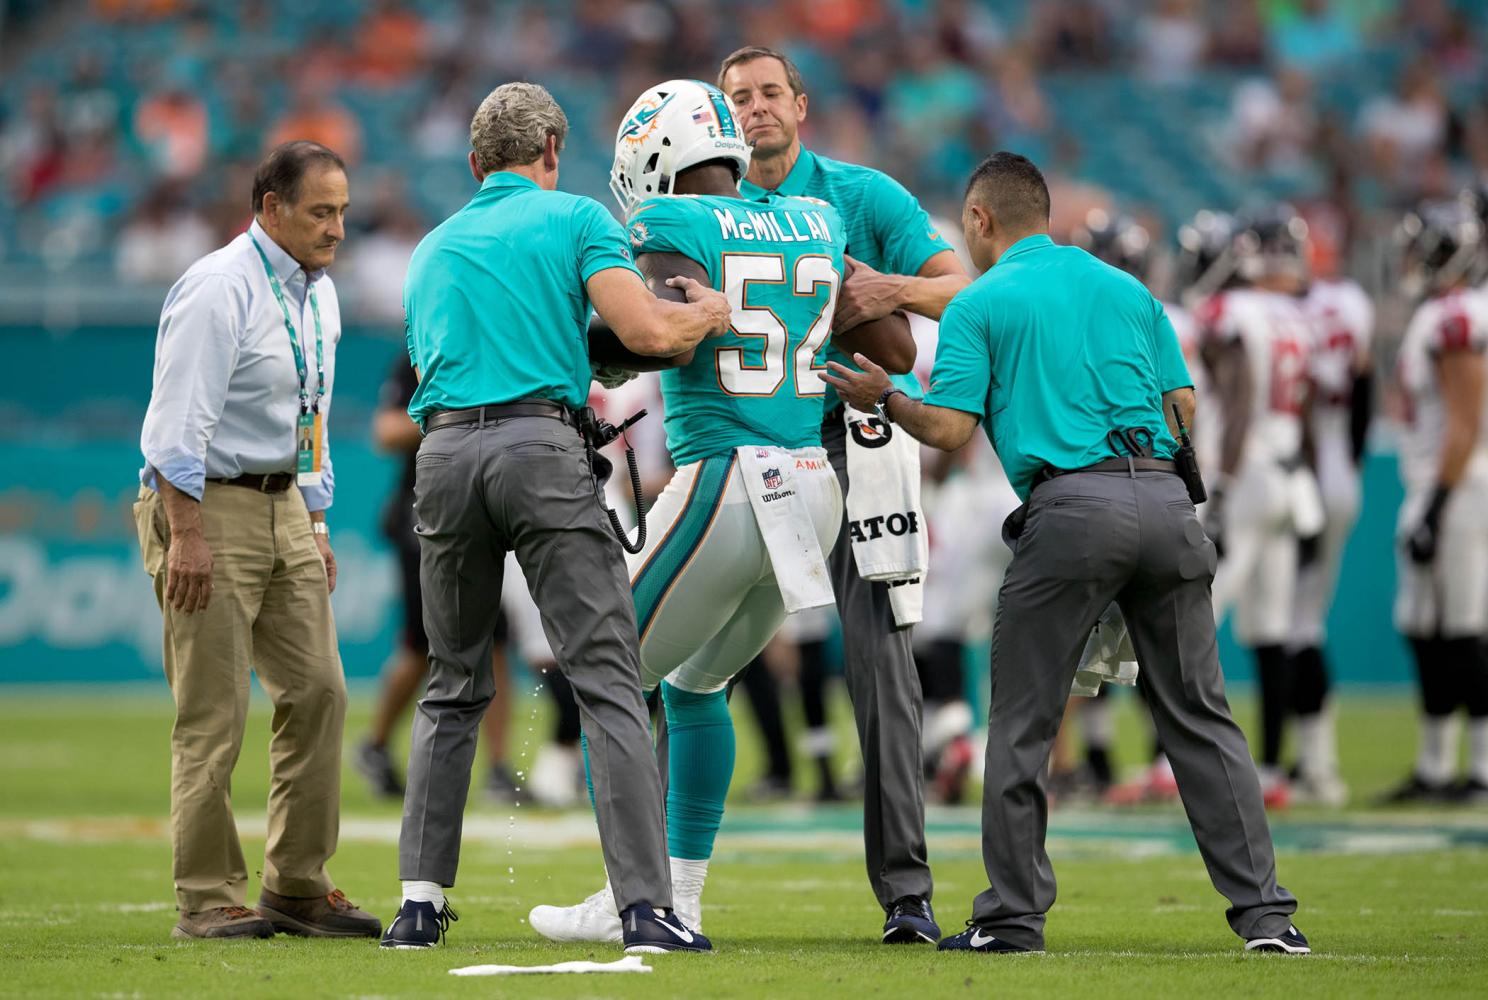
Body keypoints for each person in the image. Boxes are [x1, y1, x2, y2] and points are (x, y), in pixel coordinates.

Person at [824, 152, 1307, 955]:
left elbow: (949, 428)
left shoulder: (981, 302)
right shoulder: (1129, 290)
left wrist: (886, 400)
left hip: (1070, 509)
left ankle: (1012, 917)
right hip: (1167, 501)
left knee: (1022, 724)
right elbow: (1182, 402)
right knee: (1201, 718)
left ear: (978, 222)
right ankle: (1267, 917)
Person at [528, 77, 914, 944]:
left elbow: (658, 325)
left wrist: (585, 346)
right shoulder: (815, 218)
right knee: (696, 686)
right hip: (815, 483)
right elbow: (888, 342)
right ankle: (679, 894)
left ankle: (635, 893)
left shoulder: (671, 223)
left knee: (604, 672)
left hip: (728, 478)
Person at [381, 81, 728, 953]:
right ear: (551, 153)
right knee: (608, 676)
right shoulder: (576, 219)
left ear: (473, 164)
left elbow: (447, 362)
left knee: (453, 682)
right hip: (540, 449)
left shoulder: (431, 247)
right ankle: (647, 905)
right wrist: (709, 313)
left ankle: (419, 903)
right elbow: (647, 332)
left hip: (446, 456)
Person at [720, 44, 971, 945]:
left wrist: (884, 286)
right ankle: (647, 883)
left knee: (883, 672)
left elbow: (965, 289)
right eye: (738, 98)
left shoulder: (861, 195)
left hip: (854, 437)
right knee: (675, 655)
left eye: (767, 94)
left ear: (801, 103)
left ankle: (907, 894)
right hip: (744, 441)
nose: (755, 111)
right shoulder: (701, 198)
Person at [132, 140, 380, 941]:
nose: (337, 228)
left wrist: (313, 514)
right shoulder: (216, 288)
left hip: (284, 508)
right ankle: (206, 897)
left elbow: (310, 416)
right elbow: (174, 430)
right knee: (214, 711)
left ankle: (297, 885)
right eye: (320, 212)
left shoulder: (320, 295)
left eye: (342, 211)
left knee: (322, 693)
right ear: (270, 208)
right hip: (210, 504)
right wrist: (189, 534)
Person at [354, 355, 520, 804]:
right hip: (423, 516)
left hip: (477, 511)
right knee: (423, 645)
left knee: (496, 637)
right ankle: (375, 743)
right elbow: (386, 431)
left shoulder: (491, 343)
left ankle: (499, 767)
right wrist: (457, 415)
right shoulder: (420, 354)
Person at [1195, 205, 1318, 809]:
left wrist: (1220, 484)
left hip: (1245, 477)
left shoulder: (1231, 312)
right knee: (1273, 630)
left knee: (1193, 623)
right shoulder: (1292, 312)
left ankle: (1184, 765)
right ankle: (1272, 770)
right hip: (1290, 472)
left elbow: (1239, 401)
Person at [1383, 198, 1488, 804]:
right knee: (1427, 629)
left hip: (1458, 487)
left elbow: (1467, 421)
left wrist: (1438, 502)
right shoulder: (1444, 312)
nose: (1410, 258)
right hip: (1444, 485)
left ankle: (1477, 770)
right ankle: (1435, 766)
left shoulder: (1455, 316)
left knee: (1463, 629)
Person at [1290, 233, 1375, 806]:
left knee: (1292, 627)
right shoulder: (1352, 303)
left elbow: (1297, 403)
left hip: (1305, 472)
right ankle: (1314, 760)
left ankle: (1314, 765)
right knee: (1304, 622)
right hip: (1339, 467)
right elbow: (1365, 383)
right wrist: (1351, 462)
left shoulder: (1289, 312)